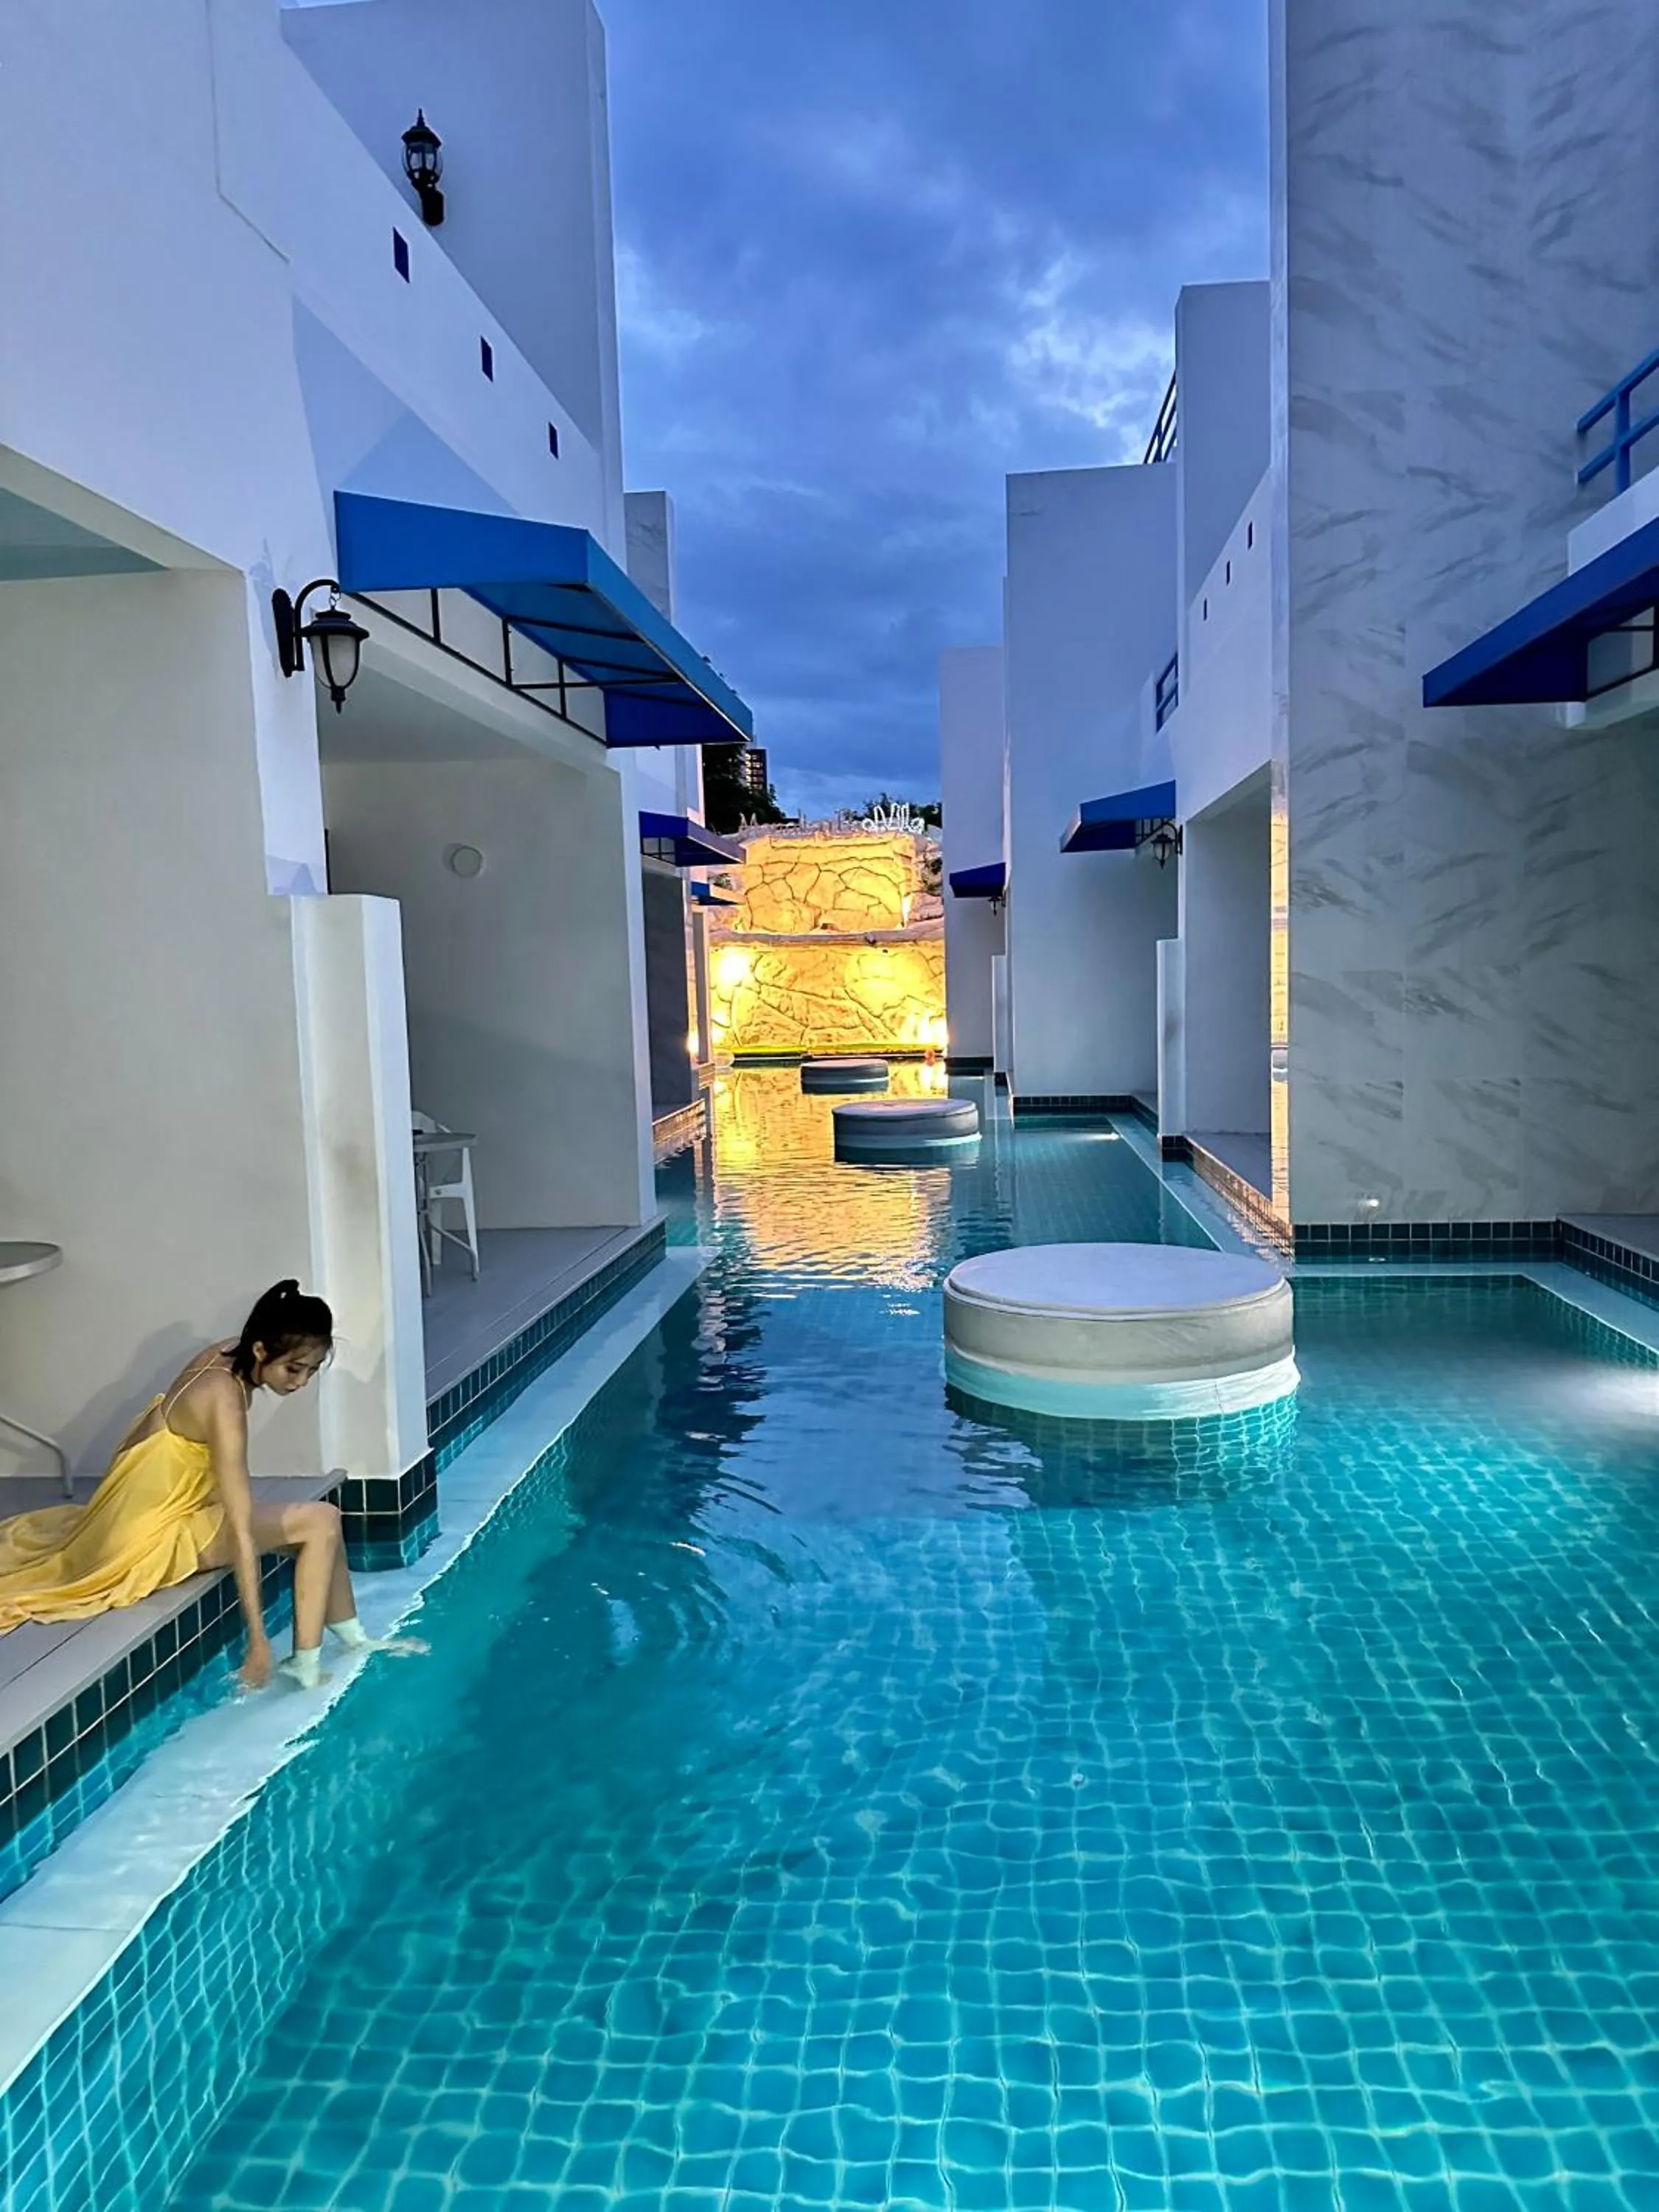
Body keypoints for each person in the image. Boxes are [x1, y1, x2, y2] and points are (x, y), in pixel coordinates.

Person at [0, 1279, 422, 1689]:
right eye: (294, 1369)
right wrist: (257, 1639)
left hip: (135, 1513)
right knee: (320, 1522)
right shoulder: (224, 1401)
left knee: (322, 1524)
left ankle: (351, 1640)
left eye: (311, 1371)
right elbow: (240, 1528)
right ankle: (305, 1665)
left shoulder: (222, 1353)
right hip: (147, 1538)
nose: (300, 1382)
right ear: (260, 1350)